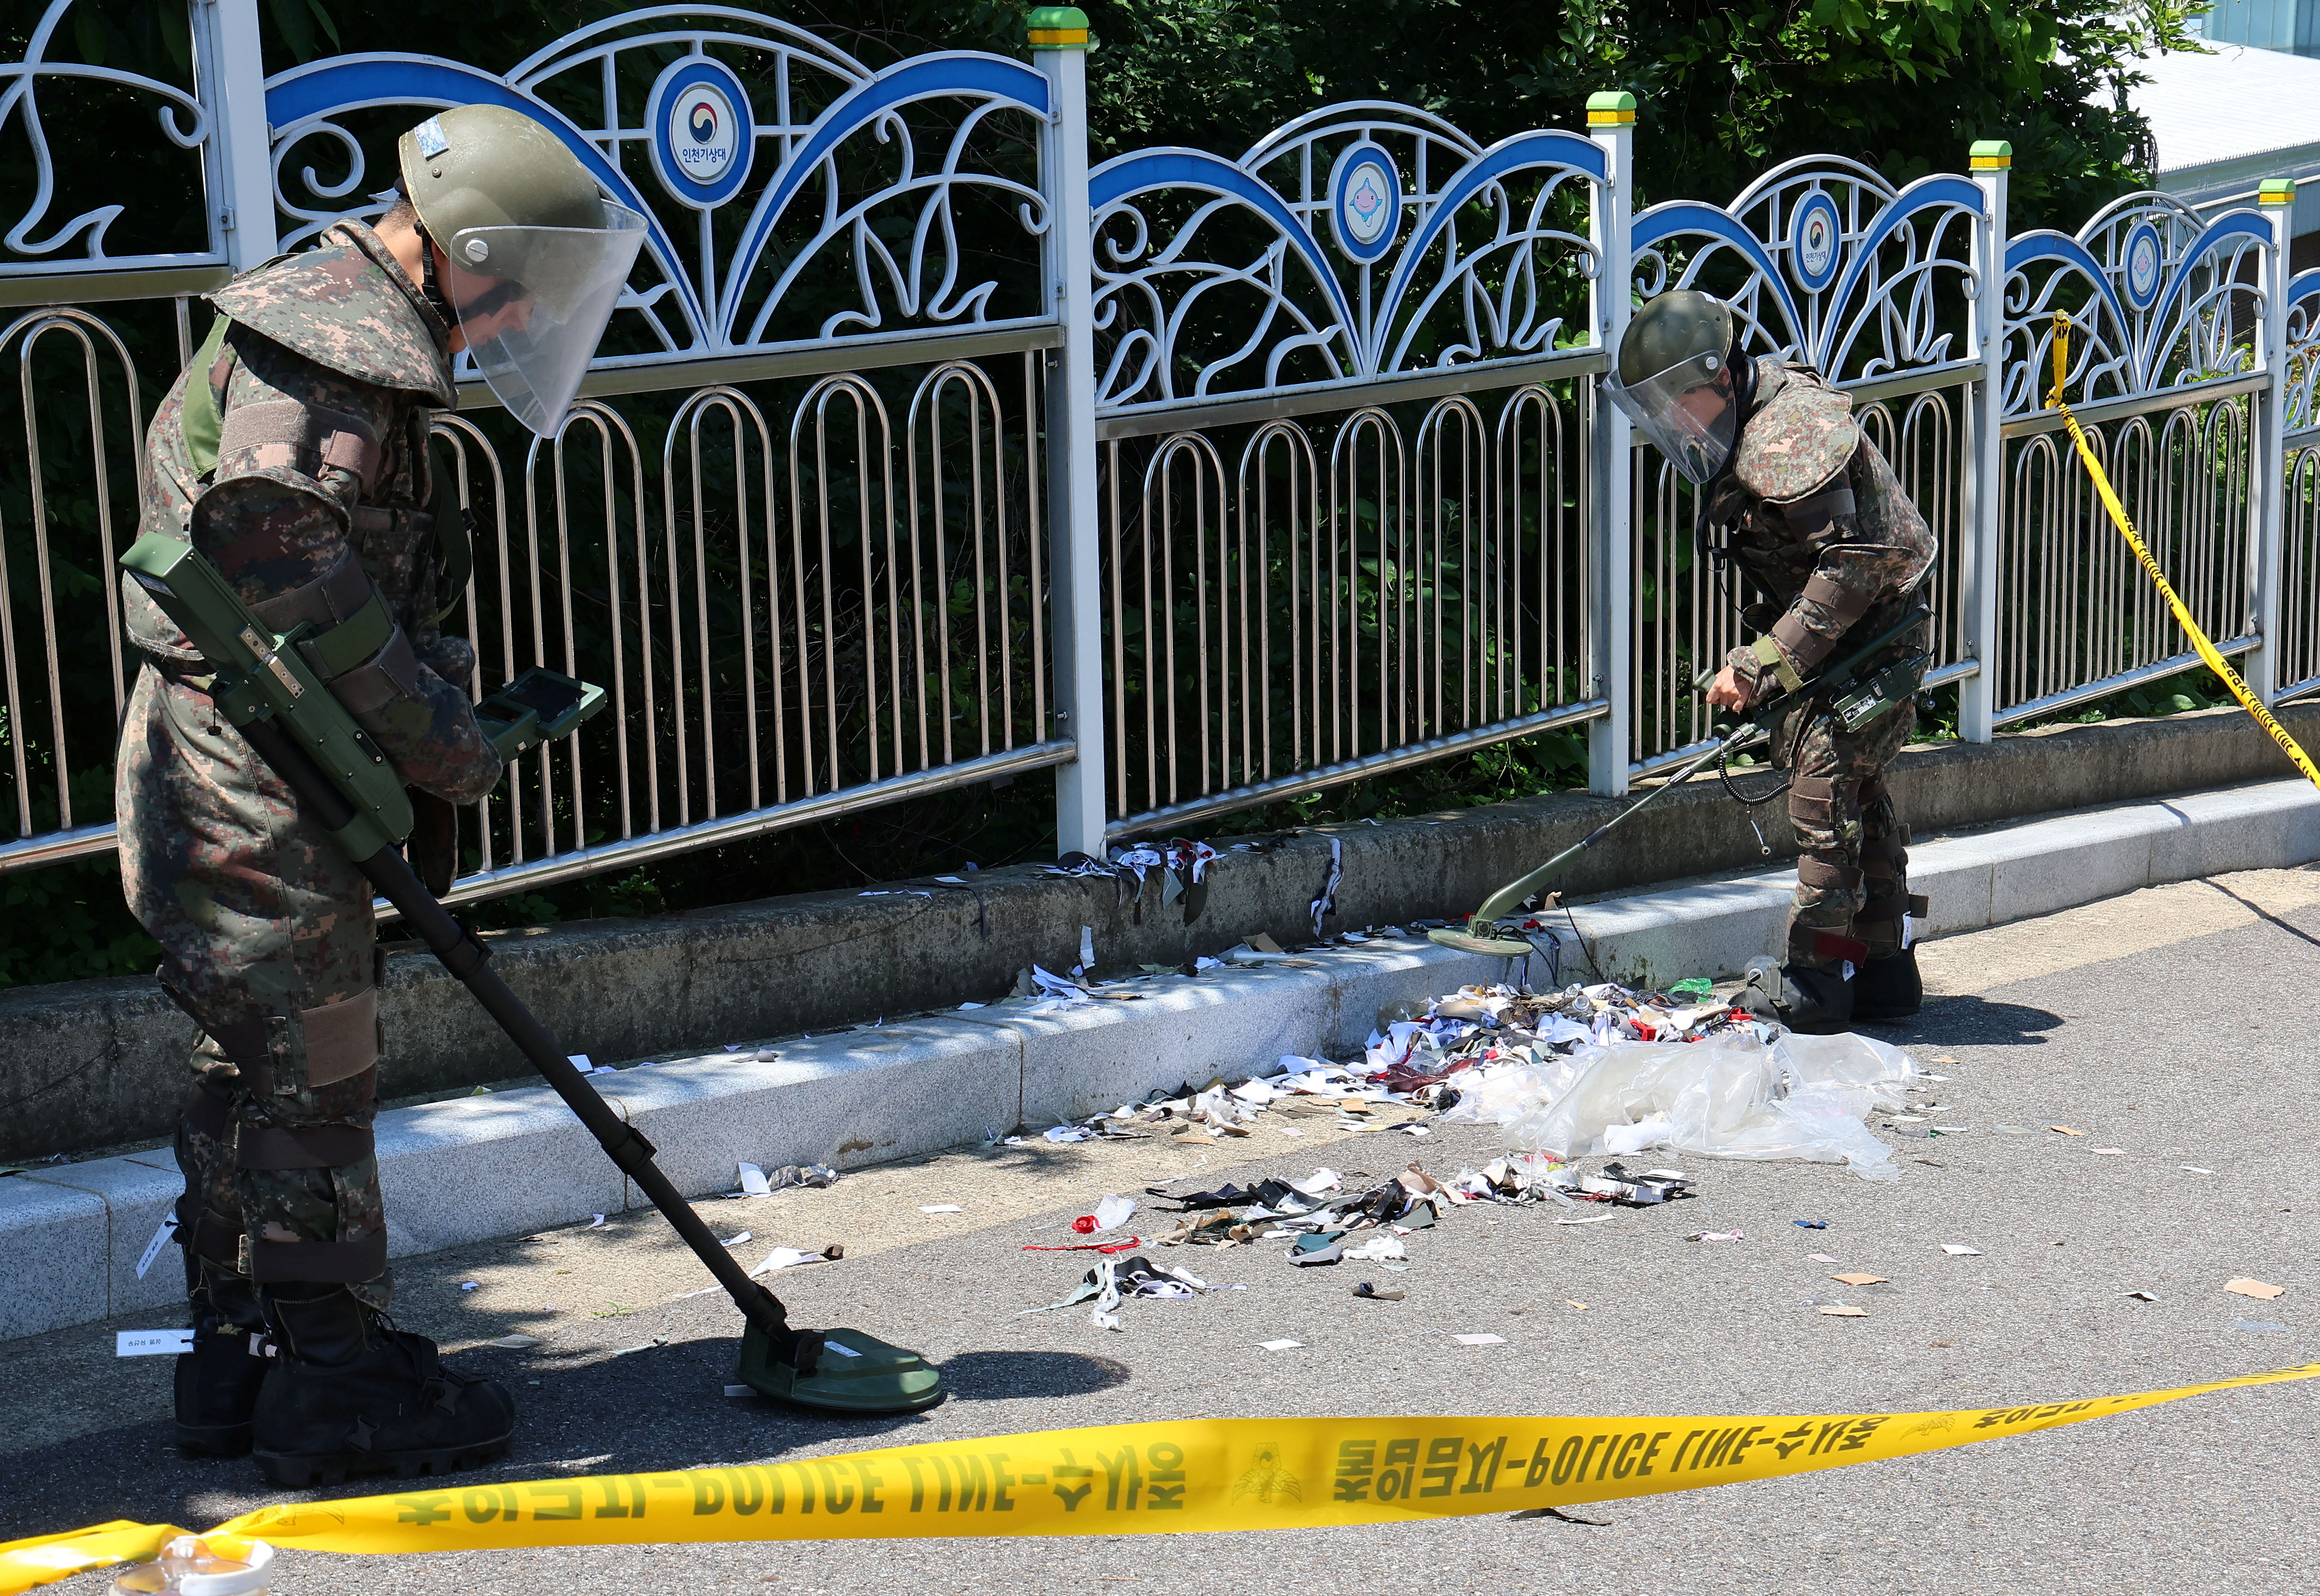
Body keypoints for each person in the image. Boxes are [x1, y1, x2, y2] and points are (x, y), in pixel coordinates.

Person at [116, 102, 643, 1485]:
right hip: (254, 773)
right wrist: (443, 741)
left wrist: (438, 714)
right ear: (460, 245)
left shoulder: (347, 326)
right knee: (313, 1069)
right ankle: (334, 1381)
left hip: (245, 756)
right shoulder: (333, 347)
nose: (520, 309)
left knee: (252, 1066)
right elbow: (269, 545)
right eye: (514, 277)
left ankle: (236, 1359)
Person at [1606, 289, 1935, 1034]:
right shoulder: (1749, 418)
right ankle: (1885, 971)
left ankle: (1815, 983)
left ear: (1719, 377)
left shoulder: (1790, 432)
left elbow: (1851, 569)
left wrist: (1761, 664)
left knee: (1823, 802)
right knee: (1859, 797)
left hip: (1874, 637)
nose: (1674, 420)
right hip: (1849, 638)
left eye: (1677, 400)